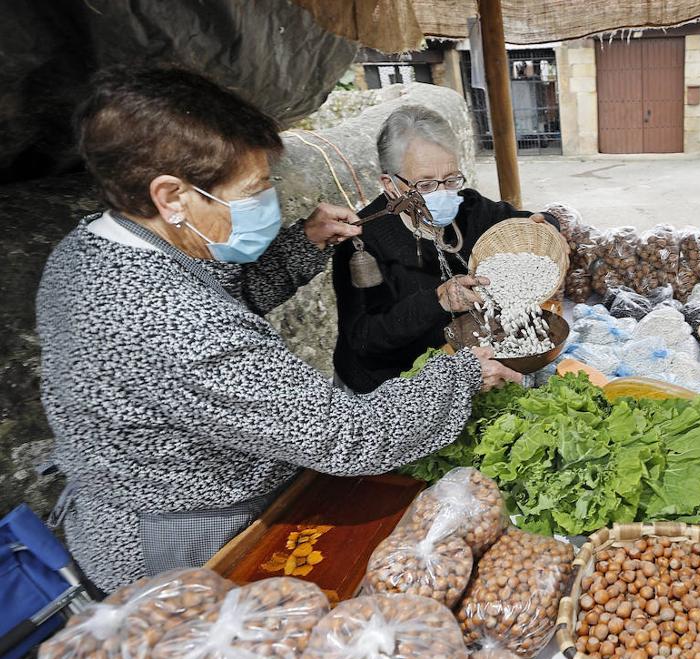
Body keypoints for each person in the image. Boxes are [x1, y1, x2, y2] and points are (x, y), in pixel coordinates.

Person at [36, 67, 522, 593]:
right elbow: (345, 433)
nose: (267, 200)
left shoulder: (94, 248)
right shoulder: (168, 319)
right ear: (172, 197)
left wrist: (301, 244)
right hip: (183, 545)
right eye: (254, 189)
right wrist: (461, 374)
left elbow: (226, 295)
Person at [332, 105, 566, 394]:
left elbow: (527, 222)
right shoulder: (362, 243)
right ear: (390, 185)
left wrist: (548, 226)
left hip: (458, 369)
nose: (444, 193)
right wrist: (438, 301)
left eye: (452, 179)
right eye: (426, 184)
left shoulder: (469, 208)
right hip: (391, 387)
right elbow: (363, 338)